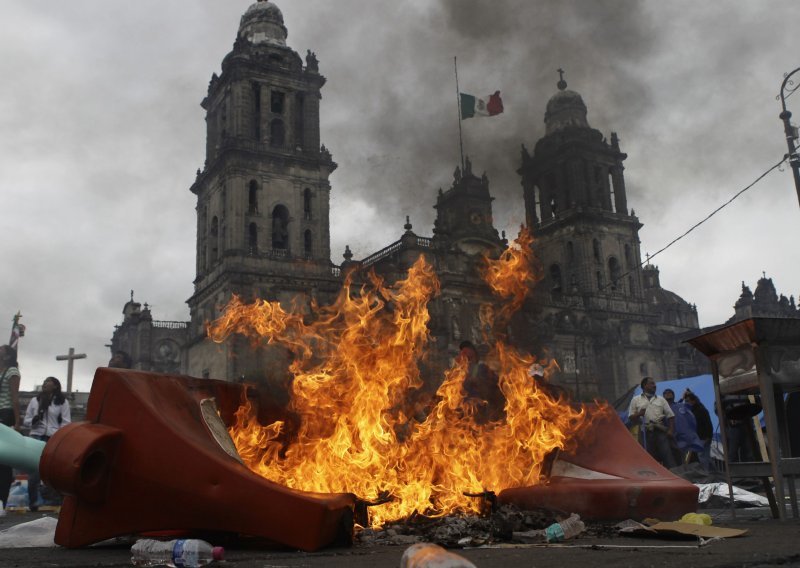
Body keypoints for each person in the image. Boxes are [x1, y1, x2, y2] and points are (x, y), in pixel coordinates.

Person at [23, 377, 70, 511]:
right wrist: (34, 420)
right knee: (34, 469)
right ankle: (33, 503)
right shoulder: (35, 400)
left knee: (53, 470)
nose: (44, 384)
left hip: (52, 438)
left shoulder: (62, 402)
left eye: (47, 382)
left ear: (55, 386)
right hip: (36, 436)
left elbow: (66, 422)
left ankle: (56, 501)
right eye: (43, 382)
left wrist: (59, 436)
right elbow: (26, 420)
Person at [627, 377, 676, 468]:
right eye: (652, 384)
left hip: (660, 430)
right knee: (648, 456)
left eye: (654, 384)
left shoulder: (661, 399)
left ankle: (672, 474)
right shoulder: (636, 399)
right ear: (645, 386)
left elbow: (671, 416)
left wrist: (670, 430)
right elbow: (631, 417)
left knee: (666, 454)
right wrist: (639, 414)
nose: (654, 385)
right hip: (644, 431)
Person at [458, 341, 503, 423]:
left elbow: (493, 385)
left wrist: (478, 382)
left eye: (466, 351)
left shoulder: (482, 367)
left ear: (473, 351)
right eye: (462, 351)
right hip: (465, 408)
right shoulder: (460, 371)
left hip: (480, 406)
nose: (463, 353)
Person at [0, 344, 21, 509]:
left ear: (7, 356)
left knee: (3, 460)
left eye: (1, 349)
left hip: (5, 414)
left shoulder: (12, 372)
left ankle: (2, 501)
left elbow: (15, 397)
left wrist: (17, 421)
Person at [683, 390, 713, 471]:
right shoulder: (689, 411)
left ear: (693, 401)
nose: (686, 403)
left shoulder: (701, 410)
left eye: (688, 401)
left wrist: (708, 437)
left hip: (703, 437)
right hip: (695, 438)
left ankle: (706, 473)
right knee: (703, 457)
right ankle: (711, 472)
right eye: (685, 401)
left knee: (703, 456)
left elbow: (708, 424)